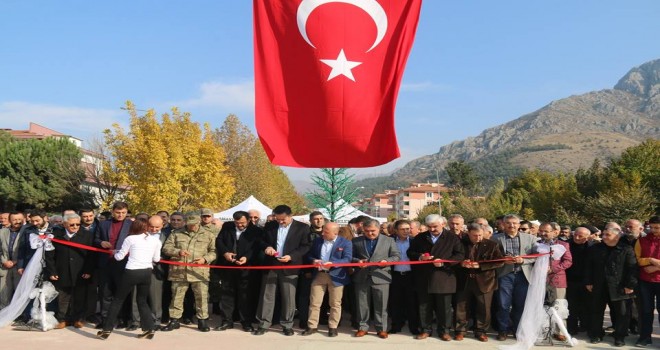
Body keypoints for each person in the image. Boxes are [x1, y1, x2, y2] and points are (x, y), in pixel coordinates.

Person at [97, 219, 162, 340]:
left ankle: (106, 329)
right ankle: (150, 328)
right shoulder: (155, 240)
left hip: (131, 272)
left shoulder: (130, 239)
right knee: (142, 301)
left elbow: (119, 257)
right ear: (146, 227)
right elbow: (157, 259)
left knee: (117, 300)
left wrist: (114, 252)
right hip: (147, 272)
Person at [253, 205, 310, 336]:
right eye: (278, 219)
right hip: (271, 264)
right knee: (267, 295)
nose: (280, 222)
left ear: (290, 216)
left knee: (288, 297)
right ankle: (264, 323)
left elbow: (306, 246)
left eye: (283, 219)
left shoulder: (302, 228)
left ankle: (287, 324)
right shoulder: (270, 226)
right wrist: (267, 247)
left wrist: (292, 256)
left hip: (290, 265)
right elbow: (261, 241)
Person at [407, 214, 464, 341]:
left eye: (435, 226)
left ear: (443, 224)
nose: (432, 229)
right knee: (424, 306)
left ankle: (444, 331)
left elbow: (460, 255)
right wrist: (420, 257)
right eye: (429, 227)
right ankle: (425, 330)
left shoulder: (452, 237)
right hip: (424, 278)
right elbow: (410, 252)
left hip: (444, 277)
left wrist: (444, 262)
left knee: (444, 307)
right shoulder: (420, 237)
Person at [161, 214, 217, 332]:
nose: (192, 227)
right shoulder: (176, 233)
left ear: (199, 222)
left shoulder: (208, 235)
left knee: (201, 297)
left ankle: (202, 321)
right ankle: (174, 320)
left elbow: (214, 251)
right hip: (179, 271)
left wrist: (205, 259)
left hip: (199, 272)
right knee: (176, 296)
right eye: (189, 225)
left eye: (194, 225)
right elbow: (166, 248)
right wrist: (178, 252)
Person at [585, 227, 638, 347]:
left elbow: (632, 268)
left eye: (607, 235)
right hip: (599, 285)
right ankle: (596, 334)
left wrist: (630, 285)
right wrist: (588, 281)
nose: (603, 237)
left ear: (617, 236)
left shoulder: (626, 249)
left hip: (619, 286)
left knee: (622, 313)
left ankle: (619, 336)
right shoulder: (595, 249)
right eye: (603, 234)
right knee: (596, 311)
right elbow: (588, 266)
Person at [300, 222, 352, 337]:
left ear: (335, 232)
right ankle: (312, 326)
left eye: (326, 232)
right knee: (314, 302)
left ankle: (333, 327)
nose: (323, 233)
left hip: (337, 276)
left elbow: (347, 259)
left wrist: (333, 263)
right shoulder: (318, 241)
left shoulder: (345, 243)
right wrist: (314, 261)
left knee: (335, 303)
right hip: (319, 275)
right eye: (323, 231)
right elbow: (309, 255)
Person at [214, 211, 263, 332]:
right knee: (226, 295)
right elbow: (219, 241)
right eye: (237, 223)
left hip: (246, 267)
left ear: (248, 220)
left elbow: (256, 248)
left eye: (242, 223)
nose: (240, 225)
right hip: (228, 266)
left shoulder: (256, 231)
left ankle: (246, 322)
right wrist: (225, 253)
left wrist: (246, 257)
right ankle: (227, 321)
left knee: (245, 296)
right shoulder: (227, 226)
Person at [351, 219, 401, 338]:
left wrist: (387, 261)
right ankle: (363, 327)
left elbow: (396, 256)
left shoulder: (389, 240)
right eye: (367, 231)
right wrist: (357, 261)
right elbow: (350, 256)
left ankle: (381, 328)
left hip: (381, 276)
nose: (370, 233)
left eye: (373, 231)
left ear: (378, 229)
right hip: (361, 276)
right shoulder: (356, 240)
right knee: (362, 304)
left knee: (381, 305)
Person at [491, 214, 537, 341]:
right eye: (508, 223)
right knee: (503, 305)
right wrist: (502, 261)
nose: (511, 225)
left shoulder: (531, 238)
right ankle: (503, 330)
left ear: (519, 224)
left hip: (523, 275)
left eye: (514, 223)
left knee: (520, 305)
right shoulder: (495, 238)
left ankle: (518, 330)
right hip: (504, 275)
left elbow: (536, 256)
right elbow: (490, 257)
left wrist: (523, 261)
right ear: (503, 224)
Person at [44, 213, 94, 329]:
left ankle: (78, 319)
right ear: (65, 224)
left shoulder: (87, 235)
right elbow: (50, 255)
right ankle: (63, 319)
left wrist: (88, 270)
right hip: (62, 271)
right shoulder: (56, 235)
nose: (76, 226)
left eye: (78, 224)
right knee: (63, 297)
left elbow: (91, 255)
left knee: (79, 297)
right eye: (72, 224)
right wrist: (52, 272)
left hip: (80, 271)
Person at [455, 223, 503, 342]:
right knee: (461, 306)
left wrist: (481, 266)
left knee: (484, 308)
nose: (478, 238)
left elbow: (500, 261)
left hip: (485, 281)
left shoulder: (492, 244)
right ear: (468, 233)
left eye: (480, 235)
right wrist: (461, 263)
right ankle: (461, 330)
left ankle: (480, 331)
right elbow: (453, 258)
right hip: (464, 280)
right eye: (474, 235)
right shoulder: (460, 243)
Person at [94, 202, 132, 329]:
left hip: (123, 263)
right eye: (118, 212)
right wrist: (101, 243)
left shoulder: (131, 225)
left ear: (126, 212)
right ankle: (105, 320)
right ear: (112, 212)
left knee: (120, 293)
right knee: (105, 293)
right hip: (106, 263)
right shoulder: (103, 224)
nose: (120, 215)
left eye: (123, 213)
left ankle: (122, 318)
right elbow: (96, 239)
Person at [538, 222, 573, 341]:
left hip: (557, 279)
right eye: (541, 231)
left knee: (559, 306)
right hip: (540, 280)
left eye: (546, 231)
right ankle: (544, 329)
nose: (543, 233)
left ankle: (560, 331)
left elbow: (568, 261)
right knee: (542, 306)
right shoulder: (536, 244)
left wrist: (553, 269)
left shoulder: (563, 245)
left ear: (554, 232)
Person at [388, 219, 420, 335]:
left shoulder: (414, 241)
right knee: (396, 302)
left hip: (410, 276)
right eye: (402, 229)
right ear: (396, 230)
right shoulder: (390, 241)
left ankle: (414, 327)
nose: (406, 231)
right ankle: (396, 325)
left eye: (408, 229)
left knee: (412, 302)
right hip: (395, 275)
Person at [633, 215, 660, 347]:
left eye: (657, 228)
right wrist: (649, 260)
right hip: (645, 281)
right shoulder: (642, 240)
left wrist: (656, 265)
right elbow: (637, 259)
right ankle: (645, 337)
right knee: (645, 310)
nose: (654, 230)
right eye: (652, 227)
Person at [297, 211, 326, 328]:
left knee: (323, 296)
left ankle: (322, 317)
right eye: (316, 219)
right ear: (311, 221)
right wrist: (306, 271)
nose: (318, 221)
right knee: (305, 296)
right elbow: (303, 252)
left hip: (324, 270)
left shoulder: (328, 232)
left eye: (320, 218)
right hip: (308, 268)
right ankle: (304, 320)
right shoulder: (305, 233)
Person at [565, 227, 591, 335]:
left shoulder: (592, 247)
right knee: (571, 305)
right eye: (575, 234)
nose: (576, 237)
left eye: (580, 236)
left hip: (586, 281)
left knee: (586, 305)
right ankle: (572, 327)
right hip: (569, 280)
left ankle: (585, 326)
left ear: (587, 237)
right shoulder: (566, 245)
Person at [0, 212, 26, 309]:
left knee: (19, 290)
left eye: (19, 219)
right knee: (4, 291)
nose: (17, 222)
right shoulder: (2, 232)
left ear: (23, 219)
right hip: (4, 266)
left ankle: (19, 313)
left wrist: (15, 261)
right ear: (10, 220)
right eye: (14, 219)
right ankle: (4, 311)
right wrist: (4, 261)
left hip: (19, 266)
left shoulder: (26, 232)